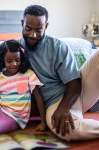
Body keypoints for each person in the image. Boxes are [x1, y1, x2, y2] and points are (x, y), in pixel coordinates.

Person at [19, 5, 99, 141]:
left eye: (39, 30)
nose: (33, 35)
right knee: (66, 130)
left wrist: (64, 108)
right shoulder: (17, 50)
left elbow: (74, 82)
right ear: (22, 24)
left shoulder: (58, 47)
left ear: (46, 25)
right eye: (28, 29)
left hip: (79, 91)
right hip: (53, 103)